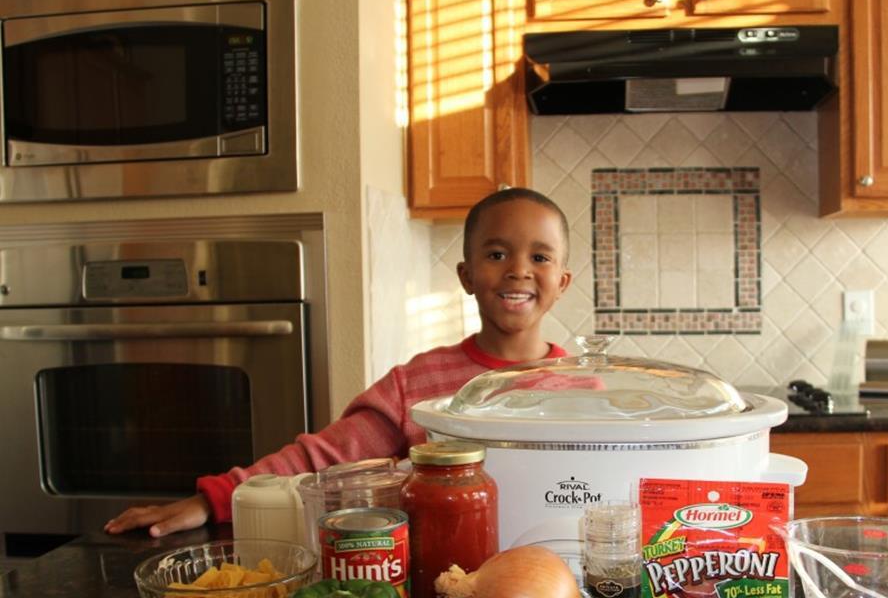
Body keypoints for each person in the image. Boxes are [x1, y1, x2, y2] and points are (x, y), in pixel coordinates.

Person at [104, 187, 574, 537]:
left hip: (560, 593)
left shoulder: (588, 392)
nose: (518, 269)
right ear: (466, 275)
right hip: (442, 592)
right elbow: (321, 458)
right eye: (497, 253)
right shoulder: (417, 384)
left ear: (563, 281)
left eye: (539, 256)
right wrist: (218, 498)